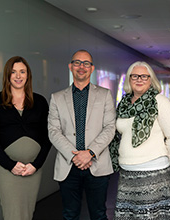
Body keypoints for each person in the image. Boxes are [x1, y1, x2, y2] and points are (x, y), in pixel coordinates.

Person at [110, 61, 170, 220]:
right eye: (135, 76)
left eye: (144, 76)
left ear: (151, 79)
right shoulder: (123, 104)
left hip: (154, 173)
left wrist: (162, 155)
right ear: (129, 79)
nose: (139, 79)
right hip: (127, 174)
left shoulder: (159, 101)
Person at [48, 49, 116, 220]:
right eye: (77, 62)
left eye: (86, 63)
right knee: (70, 215)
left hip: (97, 164)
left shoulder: (104, 95)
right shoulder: (56, 98)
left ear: (92, 68)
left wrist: (90, 153)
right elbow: (53, 131)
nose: (81, 67)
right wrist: (76, 157)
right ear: (70, 66)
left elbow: (109, 127)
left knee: (99, 214)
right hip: (68, 165)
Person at [0, 56, 52, 220]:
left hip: (33, 169)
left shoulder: (40, 102)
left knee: (27, 212)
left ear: (28, 75)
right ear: (7, 75)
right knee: (13, 213)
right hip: (7, 169)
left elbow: (48, 137)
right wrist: (10, 165)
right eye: (13, 72)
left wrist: (36, 165)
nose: (18, 76)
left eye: (22, 71)